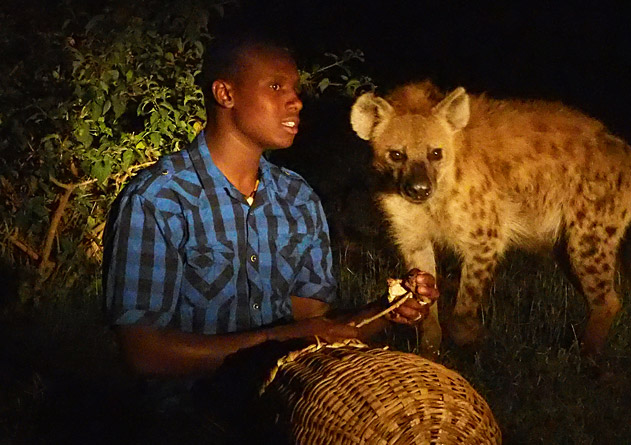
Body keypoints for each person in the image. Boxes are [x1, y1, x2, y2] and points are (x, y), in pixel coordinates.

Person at [102, 31, 438, 381]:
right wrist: (274, 340)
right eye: (276, 87)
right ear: (225, 94)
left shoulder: (297, 197)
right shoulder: (159, 200)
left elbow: (312, 329)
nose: (295, 101)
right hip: (185, 415)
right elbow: (144, 353)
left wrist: (386, 310)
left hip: (283, 405)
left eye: (294, 89)